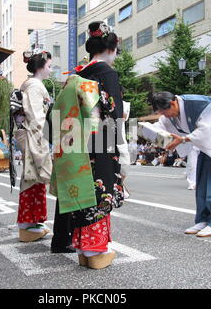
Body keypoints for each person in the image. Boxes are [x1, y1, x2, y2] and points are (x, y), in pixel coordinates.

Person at [50, 21, 125, 269]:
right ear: (112, 48)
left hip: (77, 143)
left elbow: (57, 113)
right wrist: (121, 151)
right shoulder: (107, 73)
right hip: (101, 140)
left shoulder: (78, 75)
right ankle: (95, 251)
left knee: (83, 193)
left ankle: (83, 249)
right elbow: (113, 114)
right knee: (100, 191)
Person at [142, 92, 211, 237]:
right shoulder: (172, 112)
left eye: (165, 111)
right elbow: (161, 125)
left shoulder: (199, 104)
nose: (165, 115)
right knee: (203, 178)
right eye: (161, 113)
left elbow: (207, 129)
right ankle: (205, 218)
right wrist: (148, 130)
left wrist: (183, 139)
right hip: (204, 142)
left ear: (173, 103)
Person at [13, 49, 53, 242]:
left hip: (31, 134)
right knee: (32, 177)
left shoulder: (31, 85)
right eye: (49, 66)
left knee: (33, 178)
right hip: (34, 135)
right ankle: (28, 224)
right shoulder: (35, 86)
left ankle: (32, 222)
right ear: (41, 67)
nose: (51, 71)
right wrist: (40, 141)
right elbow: (36, 117)